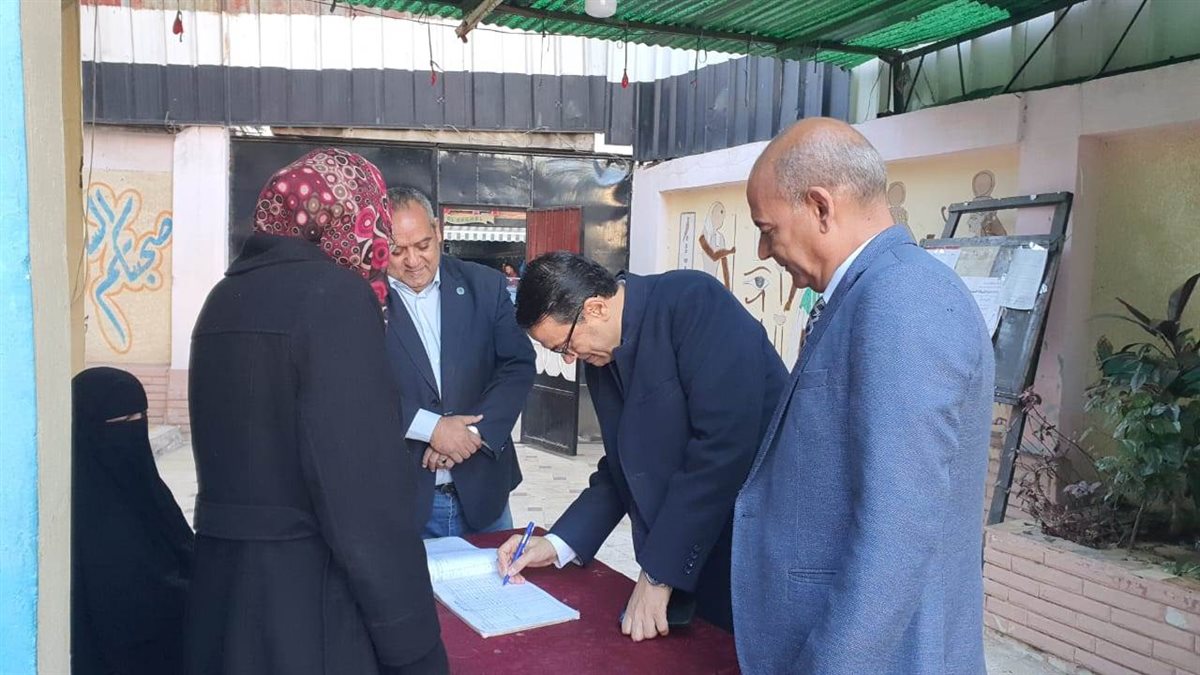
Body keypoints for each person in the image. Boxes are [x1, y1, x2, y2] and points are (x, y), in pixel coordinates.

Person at [733, 118, 994, 673]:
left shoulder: (904, 298)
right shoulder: (870, 290)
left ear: (820, 207)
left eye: (767, 228)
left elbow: (899, 530)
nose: (763, 249)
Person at [185, 149, 446, 675]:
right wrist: (415, 644)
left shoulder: (224, 295)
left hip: (226, 597)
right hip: (310, 606)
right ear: (352, 216)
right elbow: (363, 498)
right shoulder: (335, 297)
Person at [497, 252, 787, 641]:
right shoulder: (602, 358)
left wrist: (657, 574)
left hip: (753, 550)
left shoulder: (693, 302)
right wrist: (556, 543)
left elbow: (722, 450)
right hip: (684, 551)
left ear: (596, 308)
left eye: (565, 345)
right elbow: (622, 466)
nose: (568, 359)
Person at [383, 188, 535, 539]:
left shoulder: (484, 285)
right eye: (397, 251)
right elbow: (353, 388)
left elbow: (517, 364)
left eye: (423, 245)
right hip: (400, 496)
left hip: (484, 490)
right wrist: (432, 429)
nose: (413, 261)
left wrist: (471, 436)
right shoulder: (361, 299)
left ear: (438, 231)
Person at [71, 367, 194, 675]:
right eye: (124, 421)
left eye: (141, 417)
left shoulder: (149, 492)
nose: (136, 427)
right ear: (85, 427)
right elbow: (131, 605)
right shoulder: (82, 513)